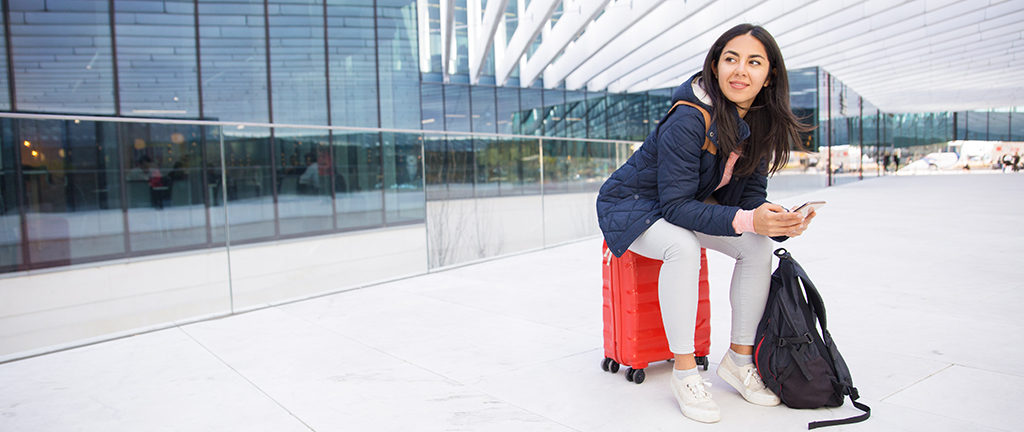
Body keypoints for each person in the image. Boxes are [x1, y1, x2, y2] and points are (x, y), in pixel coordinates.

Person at [596, 23, 815, 424]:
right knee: (681, 246)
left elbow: (746, 201)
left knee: (756, 246)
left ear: (770, 77)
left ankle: (739, 358)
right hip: (632, 204)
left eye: (754, 62)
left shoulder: (759, 124)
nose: (740, 71)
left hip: (681, 203)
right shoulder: (690, 117)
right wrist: (748, 218)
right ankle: (685, 372)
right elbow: (676, 206)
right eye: (730, 59)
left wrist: (775, 221)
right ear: (714, 66)